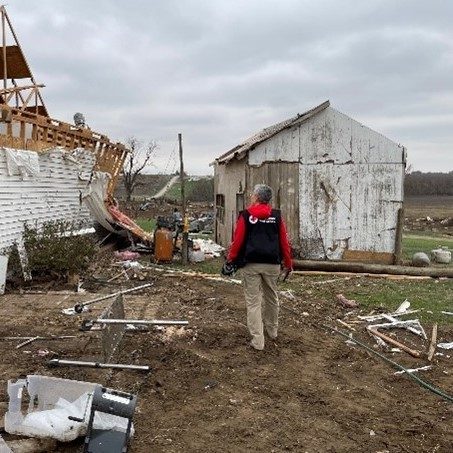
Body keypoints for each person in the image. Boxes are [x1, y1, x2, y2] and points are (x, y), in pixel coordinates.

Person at [222, 184, 292, 350]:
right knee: (271, 298)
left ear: (256, 197)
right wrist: (288, 263)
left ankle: (258, 342)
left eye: (252, 194)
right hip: (272, 265)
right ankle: (272, 331)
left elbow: (238, 240)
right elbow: (284, 241)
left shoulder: (246, 216)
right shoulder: (276, 216)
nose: (251, 197)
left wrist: (231, 259)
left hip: (251, 265)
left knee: (254, 303)